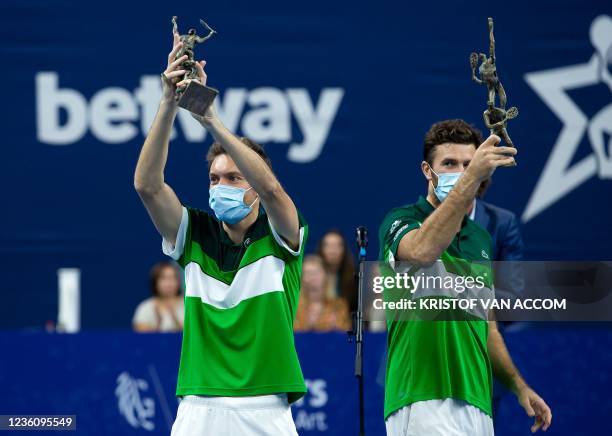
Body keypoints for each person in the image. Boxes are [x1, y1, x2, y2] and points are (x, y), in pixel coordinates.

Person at [134, 29, 307, 436]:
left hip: (266, 408)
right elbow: (147, 185)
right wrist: (169, 102)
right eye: (214, 179)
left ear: (252, 185)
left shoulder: (282, 234)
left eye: (233, 177)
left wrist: (208, 115)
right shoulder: (193, 232)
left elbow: (272, 188)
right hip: (199, 406)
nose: (221, 186)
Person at [378, 119, 552, 435]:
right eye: (449, 164)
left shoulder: (481, 239)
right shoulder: (401, 220)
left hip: (477, 403)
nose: (459, 172)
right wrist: (470, 178)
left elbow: (487, 326)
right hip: (422, 397)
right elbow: (421, 252)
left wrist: (518, 386)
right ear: (426, 171)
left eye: (468, 165)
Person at [294, 254, 351, 332]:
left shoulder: (339, 305)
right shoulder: (295, 306)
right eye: (307, 273)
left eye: (315, 272)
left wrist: (335, 327)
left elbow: (345, 335)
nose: (312, 277)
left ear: (325, 275)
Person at [132, 261, 184, 332]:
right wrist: (158, 323)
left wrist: (175, 319)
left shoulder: (188, 305)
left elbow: (195, 333)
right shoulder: (145, 307)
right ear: (155, 282)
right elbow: (140, 336)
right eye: (163, 278)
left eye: (173, 278)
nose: (169, 283)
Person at [317, 230, 357, 312]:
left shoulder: (355, 278)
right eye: (328, 246)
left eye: (337, 246)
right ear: (321, 249)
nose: (333, 251)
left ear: (344, 250)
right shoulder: (312, 277)